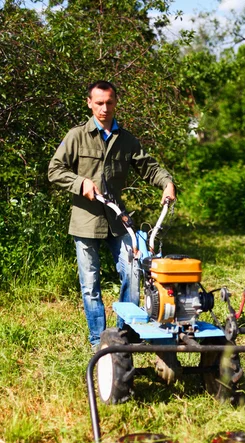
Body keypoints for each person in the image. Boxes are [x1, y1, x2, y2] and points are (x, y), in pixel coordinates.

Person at [48, 80, 176, 348]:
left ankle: (123, 336)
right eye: (99, 103)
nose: (104, 108)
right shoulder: (76, 136)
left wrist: (167, 182)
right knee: (90, 284)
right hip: (85, 221)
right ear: (89, 103)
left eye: (109, 102)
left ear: (115, 102)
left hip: (118, 222)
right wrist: (80, 183)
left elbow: (150, 168)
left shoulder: (126, 140)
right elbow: (55, 170)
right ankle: (99, 341)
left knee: (132, 273)